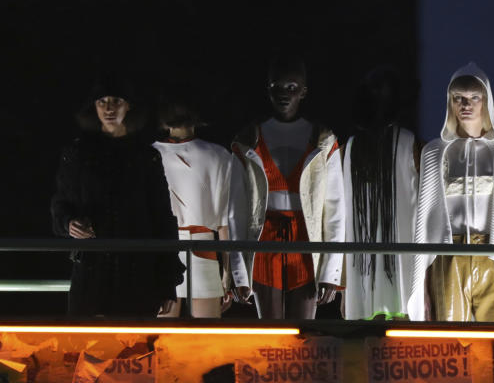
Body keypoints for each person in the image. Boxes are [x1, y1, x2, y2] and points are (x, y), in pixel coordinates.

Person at [408, 62, 494, 323]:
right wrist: (421, 285)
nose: (466, 105)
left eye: (474, 98)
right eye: (459, 98)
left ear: (485, 101)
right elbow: (424, 222)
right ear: (450, 103)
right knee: (450, 344)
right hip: (447, 258)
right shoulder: (434, 152)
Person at [51, 76, 183, 317]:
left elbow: (162, 218)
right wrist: (69, 224)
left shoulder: (146, 157)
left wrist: (167, 283)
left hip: (137, 273)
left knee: (135, 348)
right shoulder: (77, 154)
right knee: (87, 347)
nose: (109, 108)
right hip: (92, 270)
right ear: (94, 106)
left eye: (116, 101)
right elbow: (60, 205)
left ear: (128, 105)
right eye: (102, 101)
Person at [229, 55, 345, 319]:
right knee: (269, 331)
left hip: (307, 239)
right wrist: (239, 273)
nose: (284, 94)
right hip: (264, 239)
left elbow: (335, 211)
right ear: (268, 89)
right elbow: (236, 213)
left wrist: (331, 272)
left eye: (292, 87)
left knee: (303, 333)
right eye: (277, 87)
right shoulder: (248, 139)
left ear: (303, 91)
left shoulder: (324, 140)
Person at [342, 67, 420, 320]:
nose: (378, 100)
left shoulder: (411, 145)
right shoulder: (348, 149)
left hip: (400, 250)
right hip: (361, 256)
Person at [153, 94, 237, 318]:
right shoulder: (218, 155)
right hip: (195, 246)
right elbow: (225, 223)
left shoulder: (149, 155)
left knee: (163, 336)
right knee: (205, 335)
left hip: (164, 247)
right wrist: (228, 274)